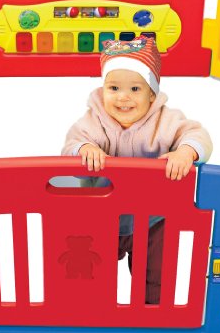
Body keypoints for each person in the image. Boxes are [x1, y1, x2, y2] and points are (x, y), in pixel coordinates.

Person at [61, 35, 212, 304]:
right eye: (114, 88)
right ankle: (93, 309)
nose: (123, 97)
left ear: (151, 94)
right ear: (103, 90)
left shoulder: (166, 120)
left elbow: (198, 135)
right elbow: (72, 144)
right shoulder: (94, 120)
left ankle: (153, 312)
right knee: (93, 270)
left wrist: (185, 152)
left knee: (156, 273)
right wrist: (85, 149)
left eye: (134, 89)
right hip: (102, 217)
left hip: (154, 218)